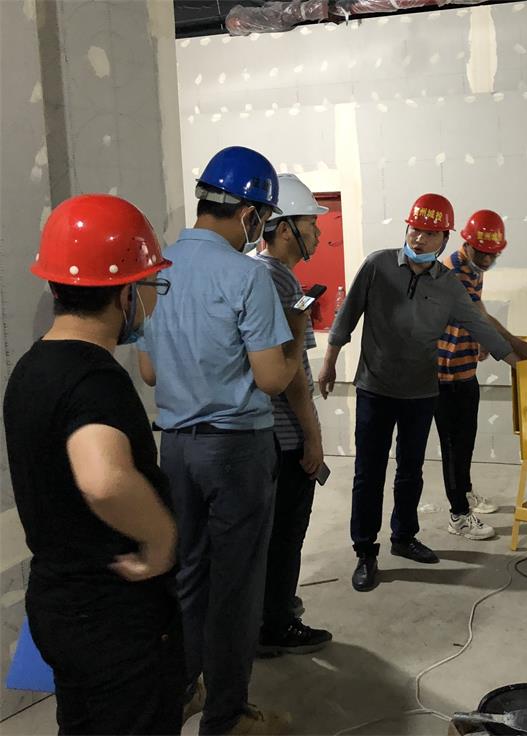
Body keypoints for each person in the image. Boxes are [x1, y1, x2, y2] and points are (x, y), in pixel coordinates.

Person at [137, 147, 306, 735]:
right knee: (236, 586)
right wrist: (295, 334)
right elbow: (272, 378)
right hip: (235, 449)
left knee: (187, 574)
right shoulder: (246, 275)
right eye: (264, 217)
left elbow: (149, 372)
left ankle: (186, 688)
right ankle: (226, 718)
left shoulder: (158, 268)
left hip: (176, 449)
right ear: (250, 214)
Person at [3, 194, 184, 734]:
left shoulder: (30, 368)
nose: (151, 300)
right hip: (111, 614)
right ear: (125, 293)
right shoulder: (96, 379)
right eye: (150, 285)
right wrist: (160, 540)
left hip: (58, 601)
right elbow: (103, 480)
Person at [318, 194, 521, 593]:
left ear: (444, 239)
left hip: (421, 393)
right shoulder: (378, 265)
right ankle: (365, 550)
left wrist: (518, 361)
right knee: (368, 472)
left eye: (430, 233)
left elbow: (478, 325)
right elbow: (348, 315)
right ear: (407, 229)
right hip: (375, 389)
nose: (419, 238)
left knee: (410, 471)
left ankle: (404, 537)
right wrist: (329, 362)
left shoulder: (448, 285)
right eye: (415, 230)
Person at [252, 173, 332, 656]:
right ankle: (277, 623)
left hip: (257, 433)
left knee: (266, 534)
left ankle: (269, 607)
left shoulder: (252, 271)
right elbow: (294, 372)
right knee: (285, 534)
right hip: (283, 435)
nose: (318, 233)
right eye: (310, 225)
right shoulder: (278, 279)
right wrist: (312, 436)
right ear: (285, 229)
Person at [436, 210, 527, 541]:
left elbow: (476, 314)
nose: (489, 260)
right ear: (467, 244)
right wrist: (515, 346)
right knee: (454, 445)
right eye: (483, 253)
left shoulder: (473, 268)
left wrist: (478, 341)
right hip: (445, 373)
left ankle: (464, 494)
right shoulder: (452, 272)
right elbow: (479, 319)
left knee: (466, 440)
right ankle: (458, 515)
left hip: (465, 367)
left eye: (494, 254)